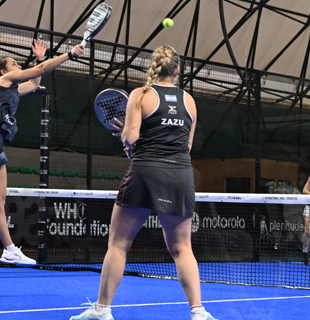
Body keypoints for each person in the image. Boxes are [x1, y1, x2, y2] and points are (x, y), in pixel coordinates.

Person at [70, 46, 217, 320]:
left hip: (146, 172)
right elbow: (186, 144)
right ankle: (198, 312)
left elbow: (130, 139)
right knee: (182, 248)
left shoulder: (140, 95)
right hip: (180, 174)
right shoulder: (190, 101)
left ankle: (102, 310)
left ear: (154, 67)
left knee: (119, 244)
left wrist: (127, 136)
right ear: (177, 71)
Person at [0, 39, 85, 282]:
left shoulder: (13, 89)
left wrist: (40, 58)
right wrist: (69, 54)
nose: (18, 64)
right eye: (14, 63)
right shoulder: (3, 81)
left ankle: (9, 250)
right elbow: (39, 72)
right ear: (4, 71)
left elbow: (34, 82)